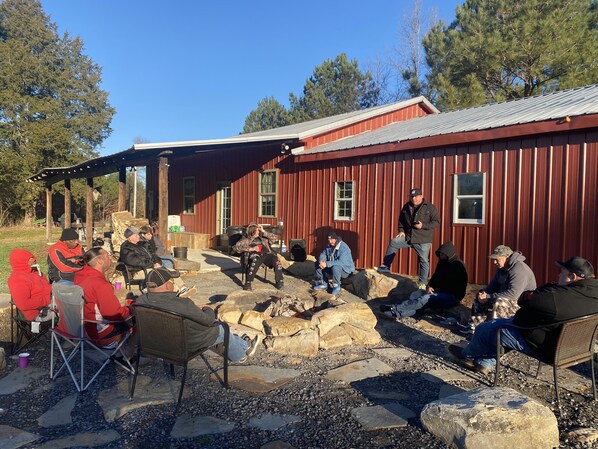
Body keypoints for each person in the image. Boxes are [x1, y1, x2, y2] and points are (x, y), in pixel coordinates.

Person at [449, 256, 598, 375]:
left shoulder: (557, 298)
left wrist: (549, 288)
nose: (559, 274)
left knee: (488, 328)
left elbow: (524, 299)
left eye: (562, 272)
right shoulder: (593, 294)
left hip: (545, 346)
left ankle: (467, 354)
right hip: (575, 348)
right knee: (503, 330)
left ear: (572, 277)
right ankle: (484, 363)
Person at [135, 267, 260, 363]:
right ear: (168, 285)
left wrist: (193, 309)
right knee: (221, 329)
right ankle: (240, 355)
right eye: (172, 281)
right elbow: (208, 321)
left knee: (221, 331)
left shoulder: (140, 302)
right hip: (183, 347)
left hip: (156, 346)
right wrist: (207, 308)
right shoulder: (182, 304)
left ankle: (244, 344)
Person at [381, 241, 468, 318]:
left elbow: (457, 287)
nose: (440, 255)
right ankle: (396, 314)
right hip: (439, 292)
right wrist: (429, 286)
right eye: (440, 254)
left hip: (452, 296)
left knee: (425, 298)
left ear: (448, 254)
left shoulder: (458, 266)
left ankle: (395, 308)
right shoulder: (442, 262)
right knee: (418, 297)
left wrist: (437, 291)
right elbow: (435, 277)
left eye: (443, 254)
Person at [377, 188, 440, 289]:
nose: (413, 198)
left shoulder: (430, 207)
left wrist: (423, 225)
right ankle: (386, 266)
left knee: (423, 260)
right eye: (412, 196)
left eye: (416, 196)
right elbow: (401, 220)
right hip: (409, 236)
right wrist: (401, 231)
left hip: (423, 239)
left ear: (421, 196)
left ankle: (422, 284)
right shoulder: (406, 206)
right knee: (394, 242)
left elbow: (436, 222)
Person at [465, 245, 537, 333]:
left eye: (497, 259)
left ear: (506, 258)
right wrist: (483, 294)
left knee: (500, 302)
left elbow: (512, 295)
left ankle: (497, 333)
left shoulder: (519, 270)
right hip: (507, 299)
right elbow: (493, 286)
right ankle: (474, 328)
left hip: (521, 304)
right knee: (480, 295)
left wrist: (489, 297)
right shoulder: (502, 268)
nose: (494, 262)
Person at [74, 247, 133, 346]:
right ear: (100, 261)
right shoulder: (100, 283)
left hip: (80, 327)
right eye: (107, 255)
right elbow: (113, 314)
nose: (110, 258)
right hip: (99, 332)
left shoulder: (79, 275)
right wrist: (130, 309)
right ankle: (126, 356)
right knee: (139, 318)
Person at [119, 226, 194, 296]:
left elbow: (154, 255)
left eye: (138, 235)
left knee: (170, 270)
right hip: (138, 271)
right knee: (165, 273)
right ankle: (177, 291)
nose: (139, 236)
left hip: (150, 268)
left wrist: (158, 262)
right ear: (130, 238)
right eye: (136, 235)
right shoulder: (126, 248)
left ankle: (182, 288)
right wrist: (152, 265)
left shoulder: (142, 244)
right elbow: (135, 261)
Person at [234, 223, 283, 291]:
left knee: (276, 260)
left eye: (258, 230)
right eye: (257, 230)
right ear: (252, 231)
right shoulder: (246, 239)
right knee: (256, 259)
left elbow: (274, 238)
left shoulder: (263, 238)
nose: (258, 232)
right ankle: (248, 283)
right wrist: (252, 249)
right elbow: (237, 247)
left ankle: (279, 281)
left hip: (265, 255)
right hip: (254, 256)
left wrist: (263, 231)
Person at [7, 249, 53, 321]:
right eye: (30, 259)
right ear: (21, 262)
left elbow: (46, 288)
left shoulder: (35, 272)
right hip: (39, 312)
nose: (34, 259)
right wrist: (48, 299)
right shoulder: (17, 280)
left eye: (33, 257)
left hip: (51, 300)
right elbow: (24, 304)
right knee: (71, 308)